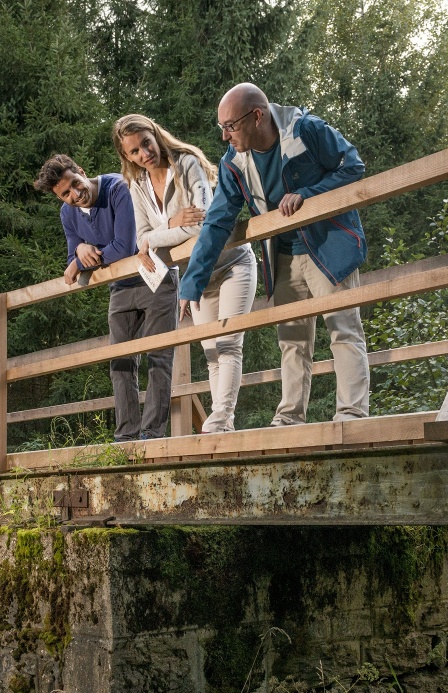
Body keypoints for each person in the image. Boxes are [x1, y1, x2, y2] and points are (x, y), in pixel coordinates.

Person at [178, 83, 371, 425]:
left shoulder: (306, 129)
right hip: (282, 256)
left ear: (257, 116)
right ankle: (290, 418)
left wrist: (308, 193)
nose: (225, 136)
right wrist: (192, 284)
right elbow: (217, 224)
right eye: (221, 127)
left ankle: (352, 415)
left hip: (328, 247)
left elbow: (352, 166)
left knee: (343, 329)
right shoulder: (233, 163)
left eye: (230, 126)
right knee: (292, 340)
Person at [114, 114, 257, 433]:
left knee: (229, 343)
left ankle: (219, 420)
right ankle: (223, 424)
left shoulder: (187, 163)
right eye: (135, 151)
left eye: (146, 143)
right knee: (211, 352)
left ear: (155, 134)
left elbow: (201, 223)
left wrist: (155, 237)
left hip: (232, 263)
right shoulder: (137, 186)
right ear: (127, 156)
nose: (144, 154)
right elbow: (140, 238)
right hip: (197, 277)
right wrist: (169, 224)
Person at [33, 153, 175, 442]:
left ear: (81, 171)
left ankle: (152, 434)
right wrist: (79, 251)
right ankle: (126, 436)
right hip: (120, 286)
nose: (75, 195)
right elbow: (72, 260)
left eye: (75, 184)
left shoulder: (118, 188)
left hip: (155, 275)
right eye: (65, 194)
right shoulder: (67, 214)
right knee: (119, 362)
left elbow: (124, 246)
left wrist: (81, 258)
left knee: (158, 355)